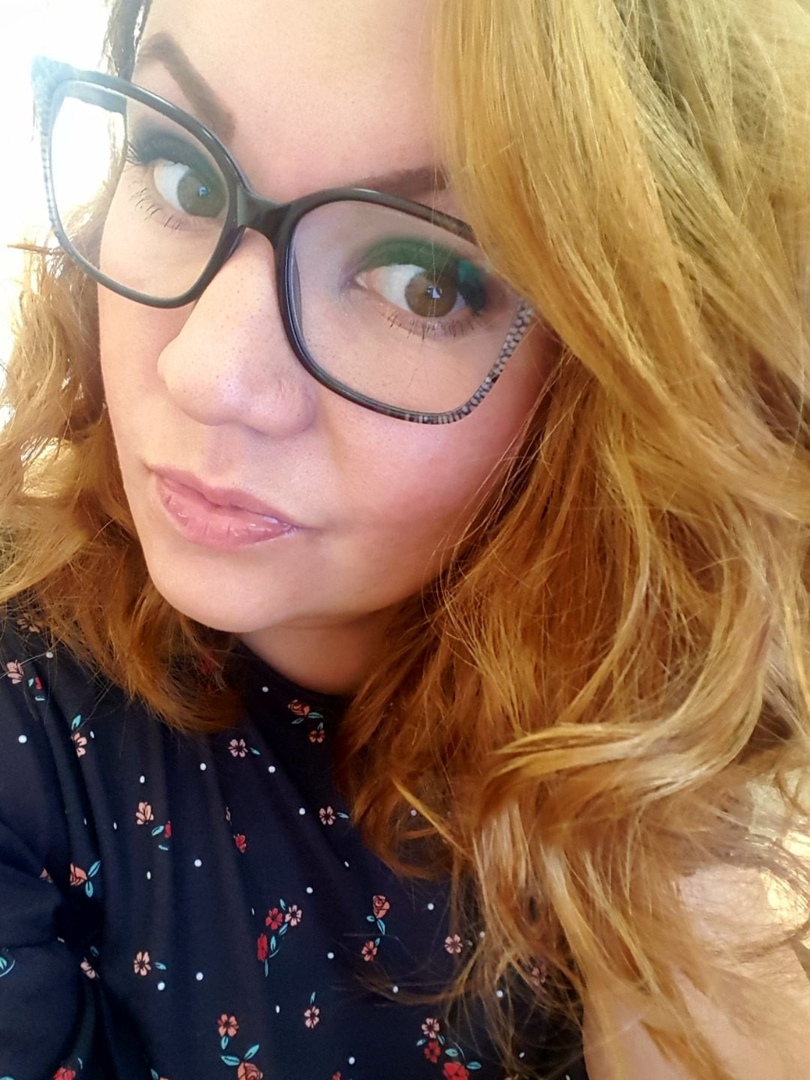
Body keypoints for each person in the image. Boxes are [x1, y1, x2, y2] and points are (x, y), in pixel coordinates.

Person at [1, 0, 809, 1077]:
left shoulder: (691, 753)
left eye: (423, 280)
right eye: (183, 175)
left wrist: (673, 864)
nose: (204, 374)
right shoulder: (30, 729)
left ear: (624, 385)